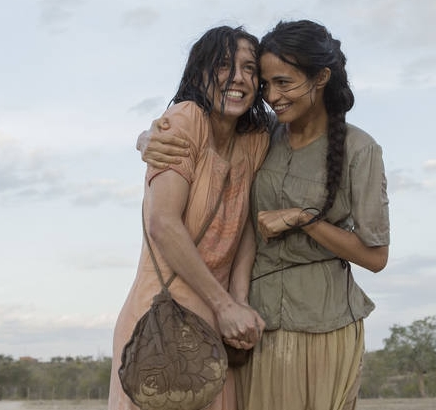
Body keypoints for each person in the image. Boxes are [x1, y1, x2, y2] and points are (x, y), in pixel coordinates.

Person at [140, 20, 390, 410]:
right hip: (251, 326)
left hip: (325, 324)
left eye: (284, 83)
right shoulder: (262, 136)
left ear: (321, 77)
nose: (272, 95)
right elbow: (198, 133)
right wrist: (149, 137)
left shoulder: (360, 149)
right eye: (268, 83)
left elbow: (376, 257)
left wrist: (302, 218)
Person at [108, 26, 271, 410]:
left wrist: (239, 300)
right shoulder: (185, 119)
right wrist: (225, 305)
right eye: (225, 65)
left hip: (217, 323)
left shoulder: (255, 139)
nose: (239, 79)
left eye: (250, 69)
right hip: (162, 318)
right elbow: (162, 223)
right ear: (200, 72)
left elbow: (245, 225)